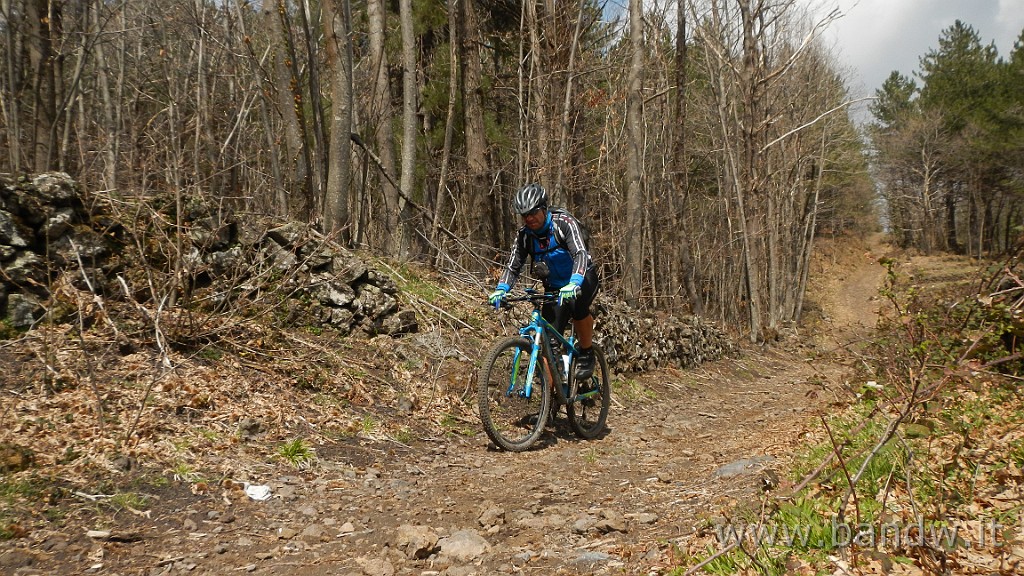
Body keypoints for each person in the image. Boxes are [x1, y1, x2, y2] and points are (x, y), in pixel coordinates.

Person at [488, 183, 600, 379]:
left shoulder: (563, 223)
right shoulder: (525, 236)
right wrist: (501, 289)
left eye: (533, 213)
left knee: (577, 305)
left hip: (582, 277)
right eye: (524, 215)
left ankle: (587, 352)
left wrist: (574, 282)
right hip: (555, 287)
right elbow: (513, 265)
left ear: (544, 208)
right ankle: (551, 401)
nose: (529, 218)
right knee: (548, 341)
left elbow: (580, 253)